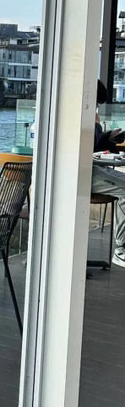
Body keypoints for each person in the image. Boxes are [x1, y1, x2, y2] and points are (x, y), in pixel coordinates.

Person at [92, 80, 125, 268]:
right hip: (82, 173)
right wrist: (96, 126)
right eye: (96, 103)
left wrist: (108, 137)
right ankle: (121, 249)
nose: (96, 107)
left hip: (92, 168)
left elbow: (94, 146)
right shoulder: (81, 114)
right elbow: (87, 145)